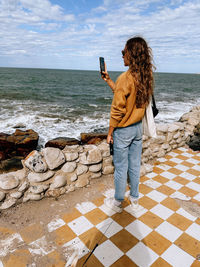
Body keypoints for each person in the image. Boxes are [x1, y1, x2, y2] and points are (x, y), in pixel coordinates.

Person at [101, 36, 154, 213]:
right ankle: (135, 198)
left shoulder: (125, 77)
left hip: (123, 131)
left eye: (124, 52)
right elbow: (127, 96)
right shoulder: (145, 76)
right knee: (134, 165)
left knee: (120, 168)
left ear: (131, 54)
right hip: (137, 128)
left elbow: (118, 109)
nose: (122, 55)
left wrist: (110, 133)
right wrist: (109, 80)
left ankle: (117, 201)